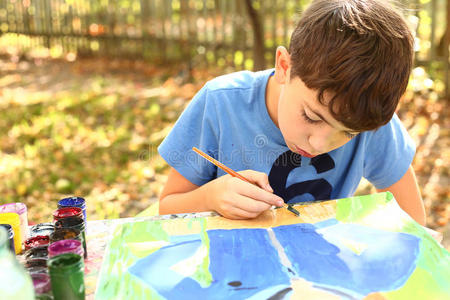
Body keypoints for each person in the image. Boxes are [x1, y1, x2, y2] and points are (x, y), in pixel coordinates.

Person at [157, 0, 426, 225]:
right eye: (312, 116)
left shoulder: (367, 117)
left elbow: (412, 225)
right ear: (284, 66)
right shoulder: (220, 104)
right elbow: (167, 208)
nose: (320, 144)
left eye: (349, 132)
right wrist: (209, 198)